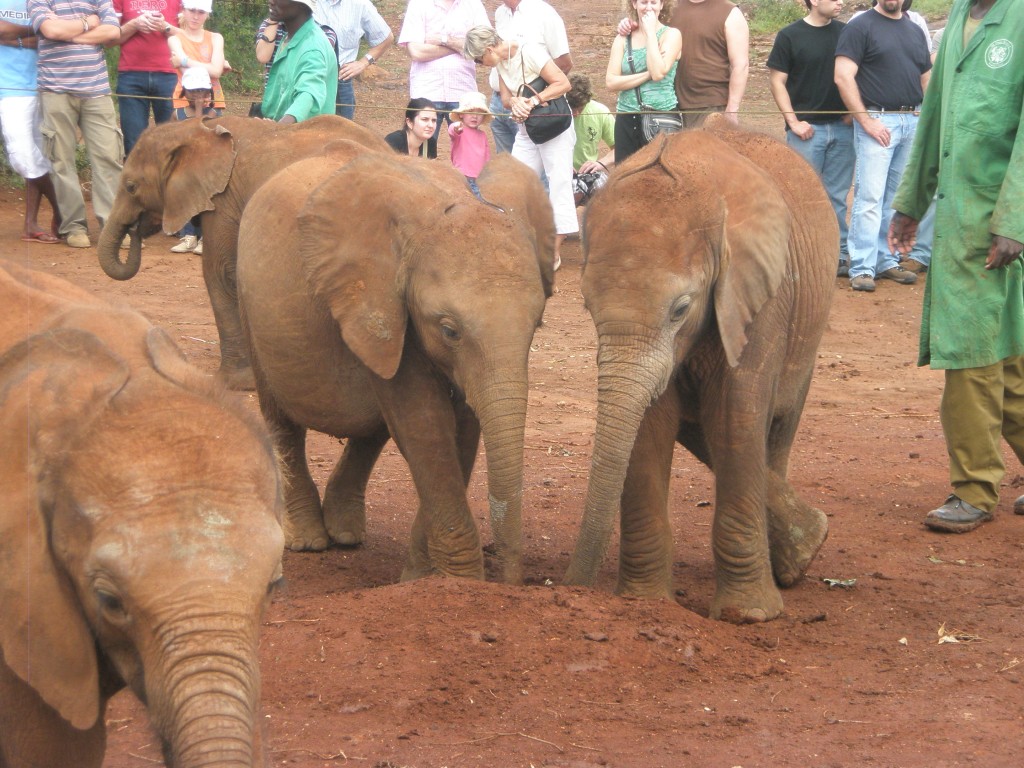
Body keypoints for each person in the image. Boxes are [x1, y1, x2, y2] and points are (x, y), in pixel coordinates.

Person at [888, 0, 1024, 533]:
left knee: (969, 352)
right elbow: (934, 118)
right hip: (960, 221)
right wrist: (909, 203)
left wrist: (1014, 217)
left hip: (998, 224)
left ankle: (974, 488)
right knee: (1007, 356)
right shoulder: (958, 22)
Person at [834, 0, 931, 292]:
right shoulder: (860, 26)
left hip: (912, 120)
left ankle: (886, 260)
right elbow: (842, 75)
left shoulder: (914, 29)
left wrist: (926, 116)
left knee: (896, 197)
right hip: (879, 120)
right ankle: (862, 265)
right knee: (870, 197)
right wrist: (866, 121)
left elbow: (926, 76)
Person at [464, 25, 576, 270]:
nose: (480, 63)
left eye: (478, 58)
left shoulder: (529, 51)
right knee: (513, 178)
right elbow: (505, 99)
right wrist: (515, 103)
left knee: (558, 182)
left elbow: (563, 83)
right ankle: (517, 239)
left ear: (489, 49)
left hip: (552, 124)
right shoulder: (500, 64)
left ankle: (554, 250)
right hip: (527, 127)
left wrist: (533, 100)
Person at [767, 0, 854, 277]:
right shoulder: (789, 35)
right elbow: (777, 81)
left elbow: (856, 74)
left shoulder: (847, 32)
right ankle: (801, 258)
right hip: (805, 132)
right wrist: (792, 122)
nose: (841, 2)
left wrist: (855, 111)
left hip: (843, 128)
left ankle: (838, 254)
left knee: (837, 196)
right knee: (800, 197)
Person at [28, 0, 122, 249]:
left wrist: (72, 35)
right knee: (61, 160)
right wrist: (87, 23)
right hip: (55, 91)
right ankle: (74, 226)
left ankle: (112, 228)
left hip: (97, 91)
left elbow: (113, 31)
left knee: (109, 158)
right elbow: (51, 31)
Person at [618, 0, 748, 128]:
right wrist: (629, 24)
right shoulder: (670, 6)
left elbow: (740, 65)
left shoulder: (730, 13)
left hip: (709, 104)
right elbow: (649, 25)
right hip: (666, 104)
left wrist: (732, 110)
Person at [0, 0, 61, 243]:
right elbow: (2, 30)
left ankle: (30, 224)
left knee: (39, 153)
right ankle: (62, 208)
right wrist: (38, 29)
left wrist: (15, 37)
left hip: (45, 83)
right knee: (23, 155)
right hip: (9, 87)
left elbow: (55, 36)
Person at [398, 0, 489, 158]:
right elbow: (417, 52)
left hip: (464, 93)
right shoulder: (418, 4)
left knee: (469, 157)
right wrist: (461, 47)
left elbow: (484, 49)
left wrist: (444, 39)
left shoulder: (473, 5)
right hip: (427, 90)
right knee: (421, 155)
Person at [487, 0, 572, 155]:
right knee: (512, 168)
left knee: (548, 168)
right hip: (502, 101)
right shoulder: (500, 13)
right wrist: (512, 101)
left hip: (534, 106)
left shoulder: (544, 12)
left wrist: (533, 101)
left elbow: (564, 63)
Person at [606, 0, 680, 164]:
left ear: (661, 5)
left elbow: (659, 72)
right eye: (643, 2)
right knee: (625, 176)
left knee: (660, 176)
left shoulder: (671, 34)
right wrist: (647, 75)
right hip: (626, 117)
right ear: (634, 4)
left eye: (653, 2)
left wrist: (650, 34)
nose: (648, 7)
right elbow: (611, 82)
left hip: (661, 116)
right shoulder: (623, 39)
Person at [112, 0, 181, 158]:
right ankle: (137, 182)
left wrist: (165, 27)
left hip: (170, 75)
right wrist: (134, 25)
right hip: (131, 75)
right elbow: (110, 40)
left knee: (172, 142)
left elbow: (192, 37)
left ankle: (167, 182)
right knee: (134, 143)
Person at [260, 0, 339, 124]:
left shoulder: (312, 48)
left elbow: (309, 93)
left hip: (306, 137)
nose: (270, 1)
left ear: (302, 5)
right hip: (287, 131)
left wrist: (277, 130)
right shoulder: (290, 38)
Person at [313, 0, 393, 120]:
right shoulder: (306, 2)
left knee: (341, 132)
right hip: (308, 76)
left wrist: (363, 63)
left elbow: (386, 37)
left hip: (341, 79)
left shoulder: (360, 4)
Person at [566, 73, 614, 206]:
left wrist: (600, 163)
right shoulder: (554, 112)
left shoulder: (600, 111)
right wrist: (562, 164)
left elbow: (619, 148)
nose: (575, 114)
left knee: (607, 192)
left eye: (580, 108)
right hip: (559, 171)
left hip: (588, 174)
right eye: (572, 109)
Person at [447, 90, 490, 196]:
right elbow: (452, 130)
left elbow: (487, 156)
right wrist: (456, 126)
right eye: (470, 111)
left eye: (479, 113)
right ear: (461, 114)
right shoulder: (460, 131)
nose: (475, 116)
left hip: (480, 178)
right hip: (463, 176)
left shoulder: (482, 135)